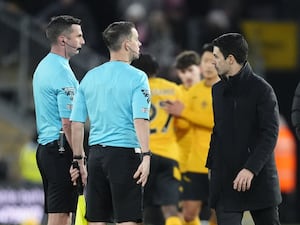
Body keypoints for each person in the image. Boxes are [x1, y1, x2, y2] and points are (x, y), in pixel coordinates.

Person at [70, 21, 151, 225]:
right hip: (124, 155)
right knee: (128, 219)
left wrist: (79, 160)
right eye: (136, 39)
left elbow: (77, 123)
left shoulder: (90, 77)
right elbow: (140, 118)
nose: (139, 43)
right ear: (126, 44)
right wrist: (147, 155)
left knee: (97, 220)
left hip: (96, 156)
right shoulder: (138, 77)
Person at [206, 33, 282, 225]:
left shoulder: (262, 90)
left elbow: (270, 134)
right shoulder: (217, 90)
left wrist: (250, 169)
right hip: (226, 180)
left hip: (258, 178)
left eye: (216, 57)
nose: (212, 62)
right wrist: (211, 166)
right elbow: (218, 131)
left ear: (230, 59)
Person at [32, 15, 85, 225]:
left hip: (48, 149)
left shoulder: (44, 66)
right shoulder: (62, 73)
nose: (83, 42)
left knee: (58, 212)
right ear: (63, 40)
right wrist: (79, 159)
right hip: (61, 150)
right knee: (62, 214)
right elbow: (68, 122)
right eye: (79, 36)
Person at [165, 44, 219, 225]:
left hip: (219, 162)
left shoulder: (225, 90)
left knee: (219, 213)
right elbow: (180, 123)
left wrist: (185, 114)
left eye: (213, 61)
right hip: (194, 163)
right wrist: (175, 116)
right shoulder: (192, 91)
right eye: (205, 61)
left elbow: (215, 122)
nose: (209, 65)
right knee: (188, 214)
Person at [131, 54, 183, 225]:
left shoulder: (133, 88)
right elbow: (184, 118)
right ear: (156, 70)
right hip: (170, 154)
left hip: (142, 155)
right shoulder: (174, 89)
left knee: (138, 209)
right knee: (170, 209)